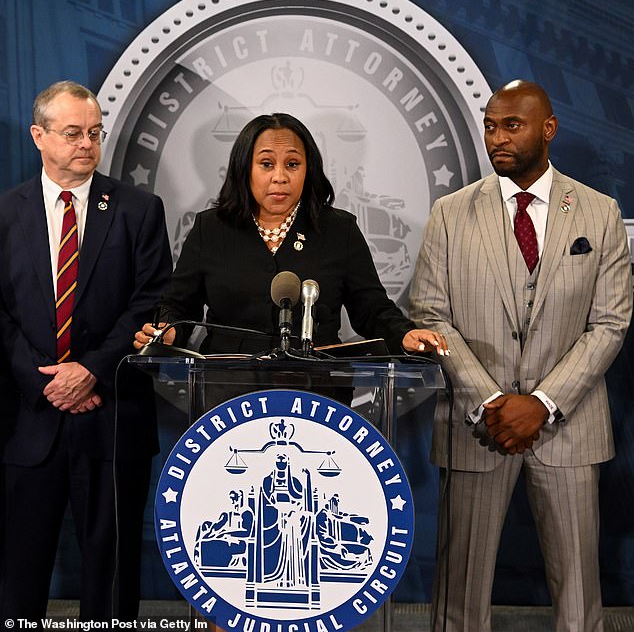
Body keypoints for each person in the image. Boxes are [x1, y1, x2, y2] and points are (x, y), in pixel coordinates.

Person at [408, 79, 633, 631]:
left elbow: (610, 322)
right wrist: (491, 400)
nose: (497, 137)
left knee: (580, 600)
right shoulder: (450, 213)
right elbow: (430, 313)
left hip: (570, 426)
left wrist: (543, 402)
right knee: (459, 601)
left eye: (512, 125)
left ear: (548, 129)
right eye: (490, 126)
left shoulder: (600, 213)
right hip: (476, 423)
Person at [0, 81, 172, 621]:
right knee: (19, 572)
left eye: (94, 133)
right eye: (72, 133)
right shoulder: (5, 214)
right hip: (29, 422)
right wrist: (47, 383)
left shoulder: (139, 210)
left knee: (112, 572)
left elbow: (152, 304)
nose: (86, 144)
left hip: (113, 416)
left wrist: (90, 373)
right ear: (38, 136)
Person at [134, 112, 448, 357]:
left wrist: (403, 334)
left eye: (293, 164)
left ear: (308, 170)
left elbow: (372, 308)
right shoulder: (211, 229)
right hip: (226, 390)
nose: (280, 177)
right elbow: (177, 306)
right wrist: (168, 329)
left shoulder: (339, 230)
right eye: (266, 164)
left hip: (317, 391)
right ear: (245, 169)